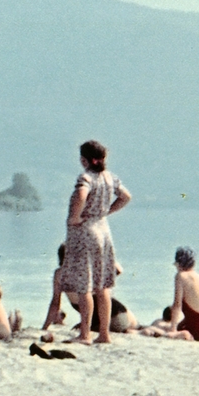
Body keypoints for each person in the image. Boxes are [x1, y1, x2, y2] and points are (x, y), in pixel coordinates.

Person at [58, 140, 131, 345]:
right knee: (103, 285)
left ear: (84, 160)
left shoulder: (86, 177)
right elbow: (126, 196)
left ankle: (85, 334)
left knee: (85, 286)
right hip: (103, 231)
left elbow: (81, 194)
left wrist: (75, 216)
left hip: (85, 233)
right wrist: (107, 211)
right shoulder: (110, 178)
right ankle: (104, 334)